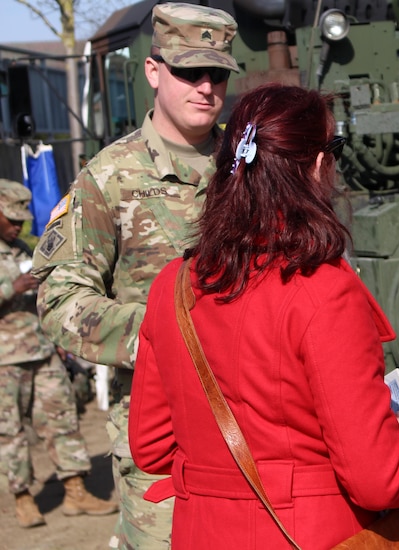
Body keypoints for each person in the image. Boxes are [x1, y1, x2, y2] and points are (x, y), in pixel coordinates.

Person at [127, 82, 399, 549]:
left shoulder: (173, 284)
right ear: (318, 164)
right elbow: (378, 479)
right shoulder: (324, 290)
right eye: (333, 150)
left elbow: (151, 446)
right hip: (312, 534)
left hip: (201, 533)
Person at [31, 3, 239, 547]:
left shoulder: (251, 167)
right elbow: (60, 299)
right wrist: (158, 334)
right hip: (163, 435)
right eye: (188, 71)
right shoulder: (110, 177)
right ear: (153, 72)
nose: (205, 87)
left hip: (256, 424)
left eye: (217, 73)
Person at [0, 179, 117, 528]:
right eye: (11, 217)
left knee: (63, 418)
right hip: (5, 360)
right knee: (10, 431)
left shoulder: (22, 248)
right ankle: (22, 498)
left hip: (41, 349)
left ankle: (75, 490)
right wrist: (11, 286)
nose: (19, 224)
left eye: (22, 218)